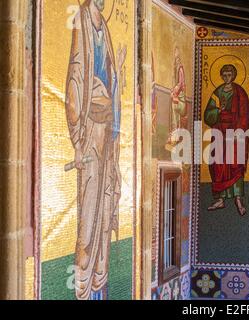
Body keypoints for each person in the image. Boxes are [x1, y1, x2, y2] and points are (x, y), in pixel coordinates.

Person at [65, 0, 126, 300]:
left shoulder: (105, 30)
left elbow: (111, 79)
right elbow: (76, 78)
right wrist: (77, 138)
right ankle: (82, 285)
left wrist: (117, 81)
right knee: (88, 211)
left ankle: (99, 284)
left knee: (106, 199)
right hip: (90, 131)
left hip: (108, 132)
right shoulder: (82, 24)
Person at [204, 64, 249, 216]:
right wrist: (217, 110)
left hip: (235, 132)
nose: (226, 77)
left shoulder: (240, 92)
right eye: (224, 74)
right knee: (218, 164)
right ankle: (221, 199)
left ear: (234, 75)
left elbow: (245, 114)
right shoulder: (217, 92)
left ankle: (238, 198)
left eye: (229, 74)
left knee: (234, 164)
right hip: (219, 131)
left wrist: (239, 131)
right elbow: (208, 114)